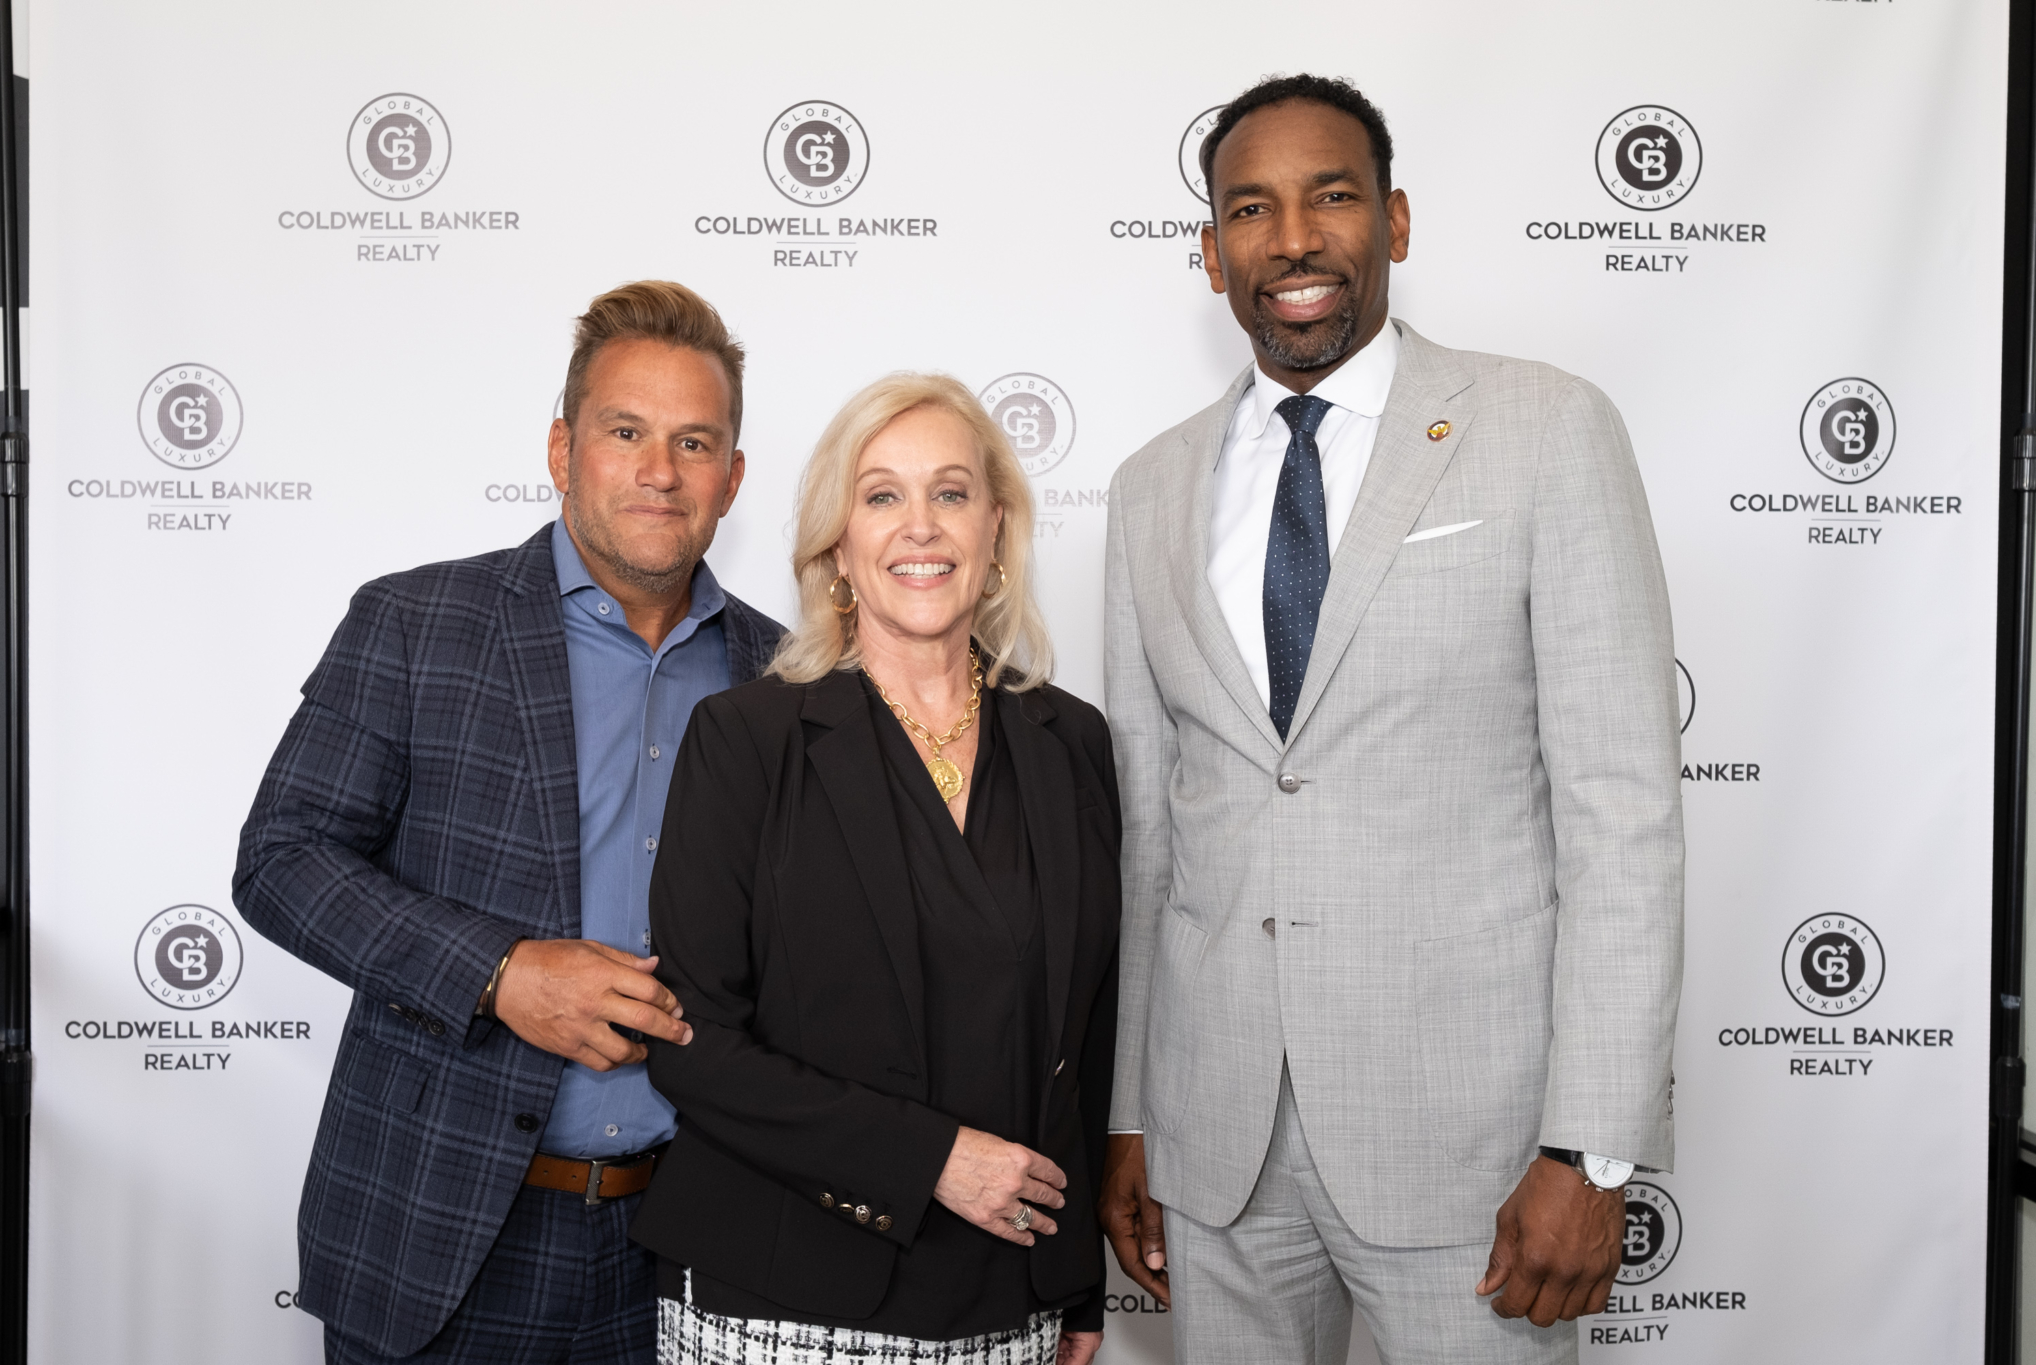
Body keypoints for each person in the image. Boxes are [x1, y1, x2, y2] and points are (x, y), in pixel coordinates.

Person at [1097, 74, 1684, 1365]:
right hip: (1216, 1144)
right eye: (1250, 209)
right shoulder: (1147, 489)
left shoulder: (1547, 429)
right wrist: (1132, 1111)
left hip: (1476, 1151)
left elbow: (1621, 817)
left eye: (1331, 197)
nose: (1292, 239)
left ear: (1395, 221)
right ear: (1210, 252)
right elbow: (1149, 837)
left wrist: (1589, 1148)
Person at [232, 280, 784, 1364]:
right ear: (561, 449)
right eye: (625, 432)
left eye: (693, 442)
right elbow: (282, 860)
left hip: (689, 1242)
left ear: (731, 477)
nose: (659, 470)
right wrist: (500, 972)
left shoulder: (783, 675)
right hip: (444, 1231)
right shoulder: (415, 623)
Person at [623, 373, 1118, 1365]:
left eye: (950, 492)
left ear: (995, 529)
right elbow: (690, 1039)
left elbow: (1087, 1030)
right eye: (881, 495)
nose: (919, 526)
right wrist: (931, 1161)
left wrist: (1074, 1281)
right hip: (782, 1299)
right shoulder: (745, 739)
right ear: (838, 546)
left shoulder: (1070, 741)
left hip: (1009, 1295)